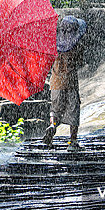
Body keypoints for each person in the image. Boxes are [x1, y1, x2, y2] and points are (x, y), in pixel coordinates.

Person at [43, 15, 87, 152]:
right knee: (73, 111)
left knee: (55, 109)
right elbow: (80, 63)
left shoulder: (54, 43)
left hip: (56, 82)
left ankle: (52, 126)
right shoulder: (76, 46)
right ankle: (72, 142)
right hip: (71, 83)